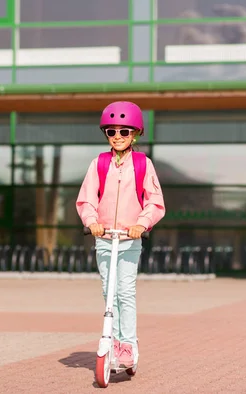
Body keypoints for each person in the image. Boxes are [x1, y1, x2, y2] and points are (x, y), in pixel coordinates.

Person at [76, 101, 165, 368]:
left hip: (129, 239)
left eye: (124, 132)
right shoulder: (100, 163)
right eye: (111, 132)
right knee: (108, 291)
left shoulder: (142, 164)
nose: (117, 137)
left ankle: (127, 343)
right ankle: (112, 340)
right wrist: (92, 222)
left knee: (125, 292)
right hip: (104, 238)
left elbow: (155, 201)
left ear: (135, 134)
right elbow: (86, 199)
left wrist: (142, 223)